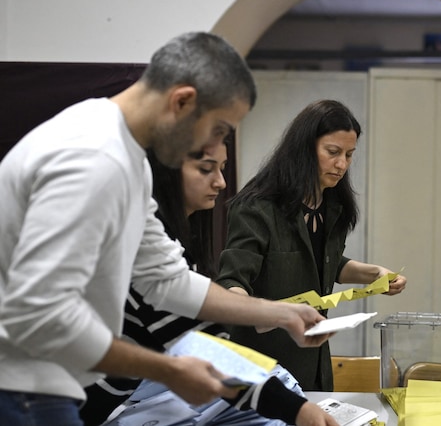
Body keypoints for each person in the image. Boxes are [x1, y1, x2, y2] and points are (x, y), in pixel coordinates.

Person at [0, 31, 331, 426]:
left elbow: (166, 280)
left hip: (39, 385)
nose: (217, 149)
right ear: (182, 101)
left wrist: (278, 313)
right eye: (219, 129)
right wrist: (169, 370)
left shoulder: (123, 155)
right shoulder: (95, 159)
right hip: (22, 388)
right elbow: (39, 315)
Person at [80, 143, 337, 426]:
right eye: (206, 169)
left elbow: (199, 315)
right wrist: (297, 409)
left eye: (223, 168)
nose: (221, 182)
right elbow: (203, 345)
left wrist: (284, 315)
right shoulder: (140, 247)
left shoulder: (168, 241)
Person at [216, 99, 407, 391]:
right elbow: (232, 280)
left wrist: (375, 274)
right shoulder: (258, 207)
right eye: (333, 152)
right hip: (263, 367)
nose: (342, 164)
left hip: (315, 363)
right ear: (304, 149)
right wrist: (258, 312)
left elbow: (325, 262)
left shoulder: (332, 203)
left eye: (349, 155)